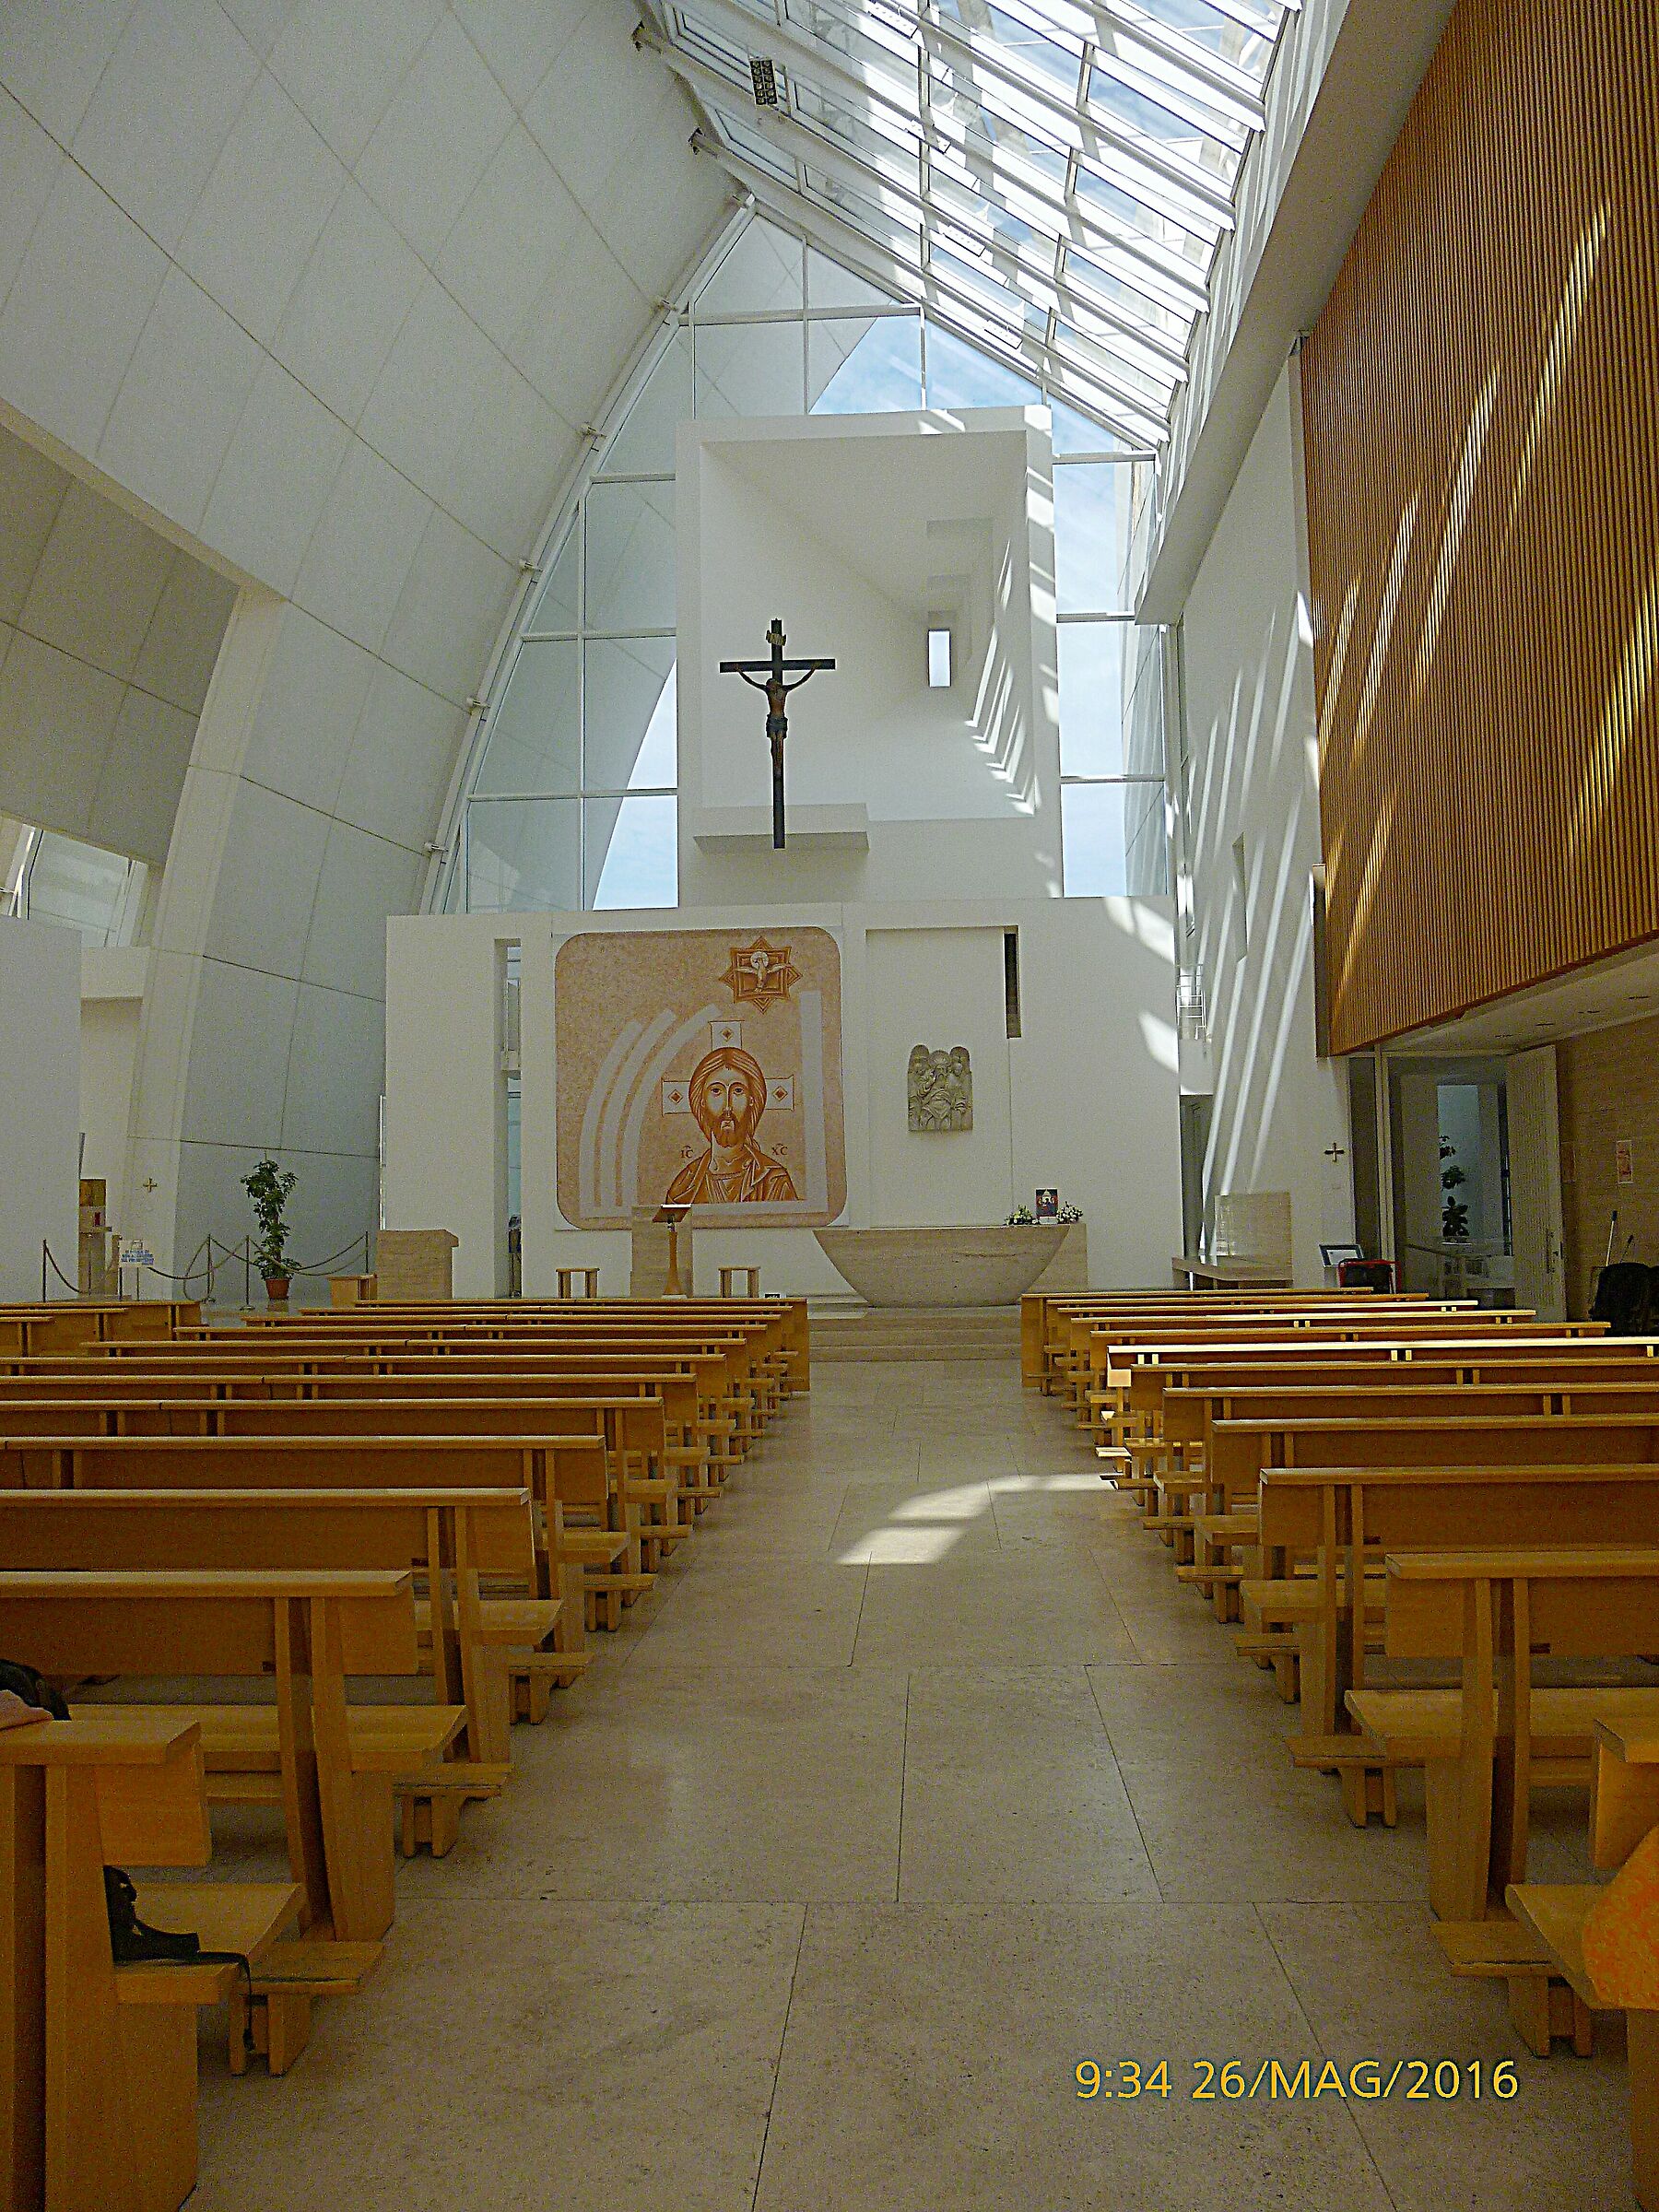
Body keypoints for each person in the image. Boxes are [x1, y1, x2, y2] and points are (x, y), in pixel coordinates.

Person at [665, 1044, 797, 1206]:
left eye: (738, 1091)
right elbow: (666, 1232)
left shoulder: (774, 1182)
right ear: (701, 1102)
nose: (727, 1106)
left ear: (752, 1100)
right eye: (716, 1091)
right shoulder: (683, 1189)